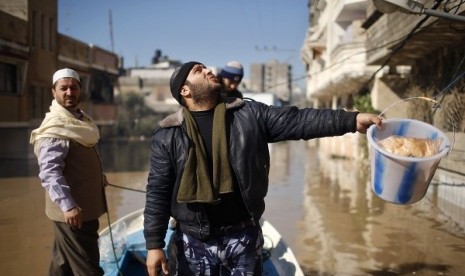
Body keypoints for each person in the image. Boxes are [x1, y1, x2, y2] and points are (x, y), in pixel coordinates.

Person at [144, 61, 382, 275]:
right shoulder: (168, 135)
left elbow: (299, 121)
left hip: (243, 236)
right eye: (198, 70)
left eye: (206, 67)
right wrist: (154, 244)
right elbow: (158, 191)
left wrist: (351, 120)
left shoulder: (249, 114)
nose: (209, 70)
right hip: (193, 239)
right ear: (184, 91)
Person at [30, 68, 107, 276]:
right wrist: (69, 205)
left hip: (83, 209)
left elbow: (78, 160)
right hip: (73, 213)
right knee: (87, 267)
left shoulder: (81, 121)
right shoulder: (56, 127)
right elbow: (50, 172)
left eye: (74, 87)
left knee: (62, 263)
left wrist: (97, 177)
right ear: (53, 92)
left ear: (80, 90)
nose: (69, 92)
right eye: (63, 88)